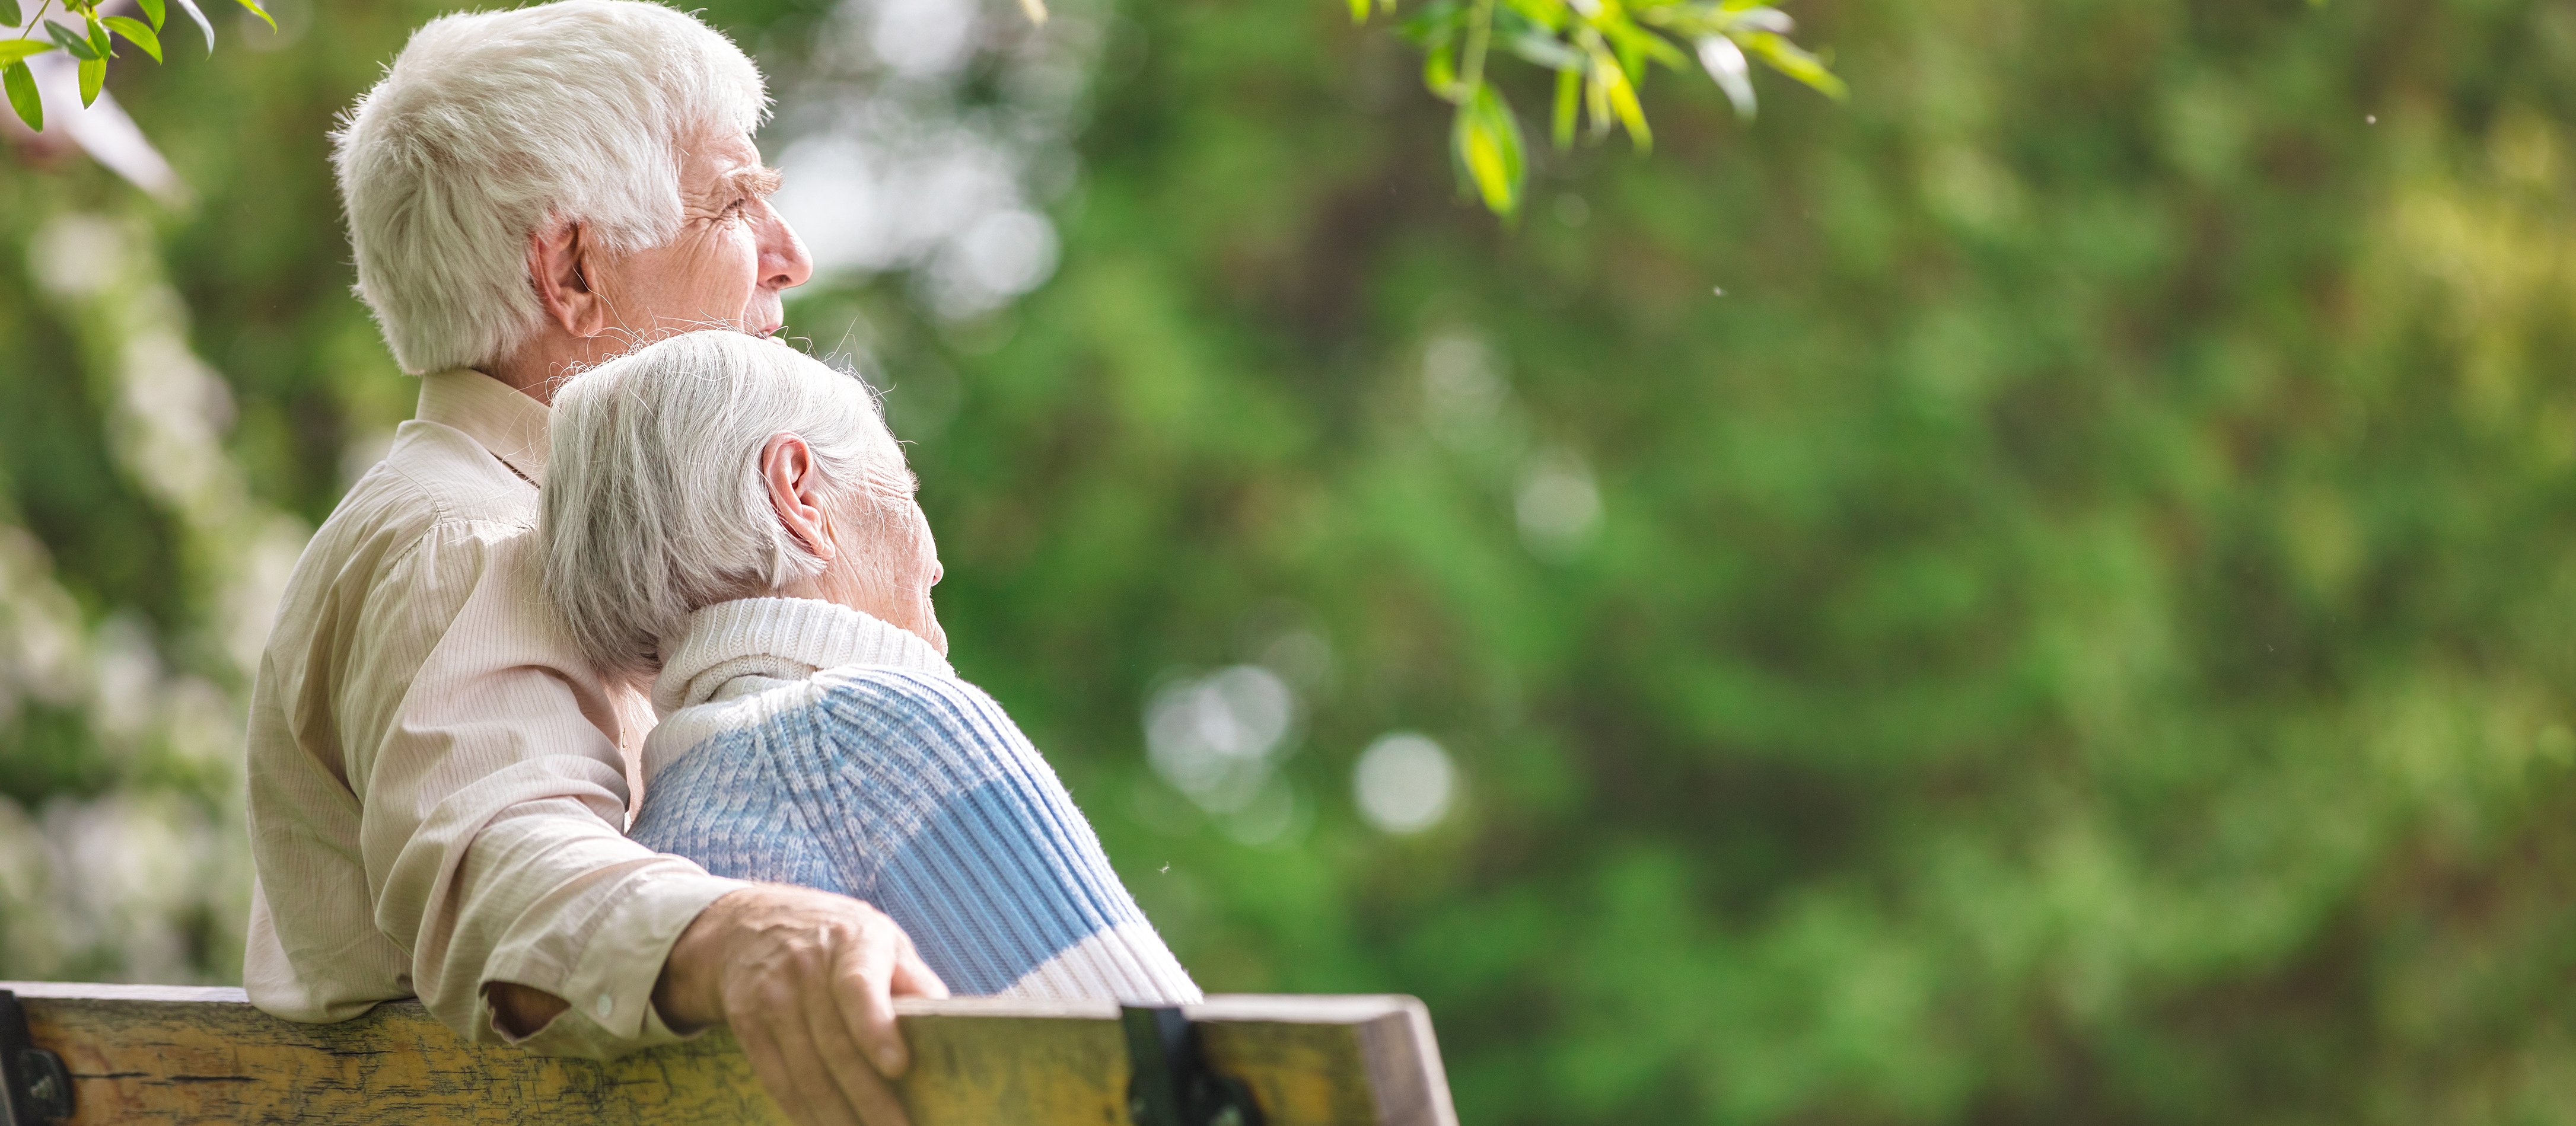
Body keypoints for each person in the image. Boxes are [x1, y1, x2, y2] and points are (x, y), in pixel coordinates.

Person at [243, 5, 940, 1124]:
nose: (791, 255)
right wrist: (744, 930)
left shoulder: (530, 523)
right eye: (736, 203)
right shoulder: (468, 537)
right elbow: (501, 866)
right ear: (571, 271)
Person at [540, 330, 1201, 1004]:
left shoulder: (655, 827)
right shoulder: (883, 730)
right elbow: (1165, 1047)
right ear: (798, 494)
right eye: (904, 489)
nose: (935, 564)